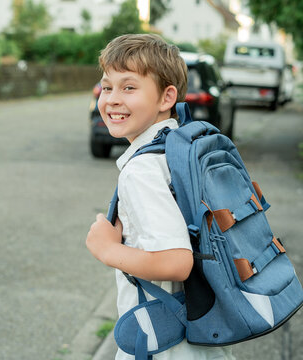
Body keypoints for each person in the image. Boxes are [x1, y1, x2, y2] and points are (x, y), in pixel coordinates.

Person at [86, 34, 235, 360]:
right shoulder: (177, 150)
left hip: (163, 342)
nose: (112, 98)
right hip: (193, 327)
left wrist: (107, 249)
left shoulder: (142, 171)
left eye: (129, 87)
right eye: (107, 86)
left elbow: (176, 262)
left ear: (167, 96)